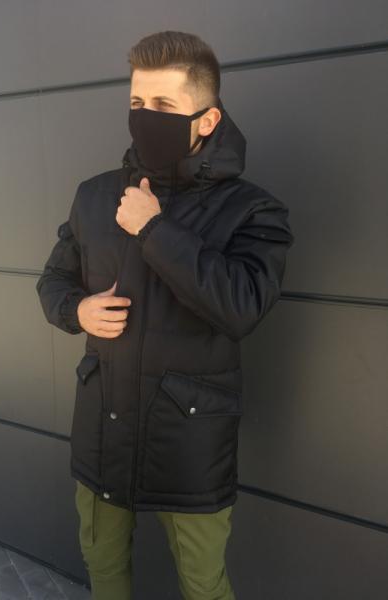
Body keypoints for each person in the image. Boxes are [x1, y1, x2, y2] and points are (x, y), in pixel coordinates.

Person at [36, 30, 294, 600]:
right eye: (136, 102)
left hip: (188, 440)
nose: (144, 116)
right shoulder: (94, 196)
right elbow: (52, 281)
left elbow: (242, 305)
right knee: (103, 567)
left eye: (163, 105)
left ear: (206, 119)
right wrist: (77, 310)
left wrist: (154, 229)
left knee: (203, 584)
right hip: (103, 427)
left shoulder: (253, 210)